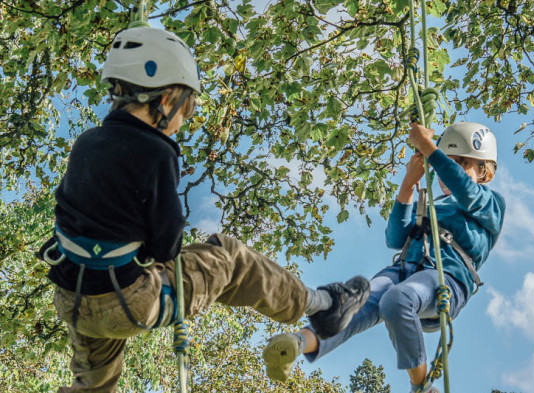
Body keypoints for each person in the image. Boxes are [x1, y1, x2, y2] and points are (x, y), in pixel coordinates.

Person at [37, 26, 370, 393]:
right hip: (128, 301)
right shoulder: (157, 151)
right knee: (230, 258)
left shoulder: (87, 142)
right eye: (186, 108)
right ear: (165, 100)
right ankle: (323, 306)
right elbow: (167, 247)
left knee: (92, 388)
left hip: (73, 301)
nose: (184, 121)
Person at [263, 122, 506, 393]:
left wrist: (429, 148)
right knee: (354, 304)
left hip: (443, 278)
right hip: (404, 270)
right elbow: (395, 238)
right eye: (450, 161)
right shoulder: (432, 204)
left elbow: (466, 191)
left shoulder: (490, 203)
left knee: (396, 300)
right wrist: (408, 184)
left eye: (462, 163)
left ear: (484, 172)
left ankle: (422, 386)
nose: (449, 169)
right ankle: (297, 343)